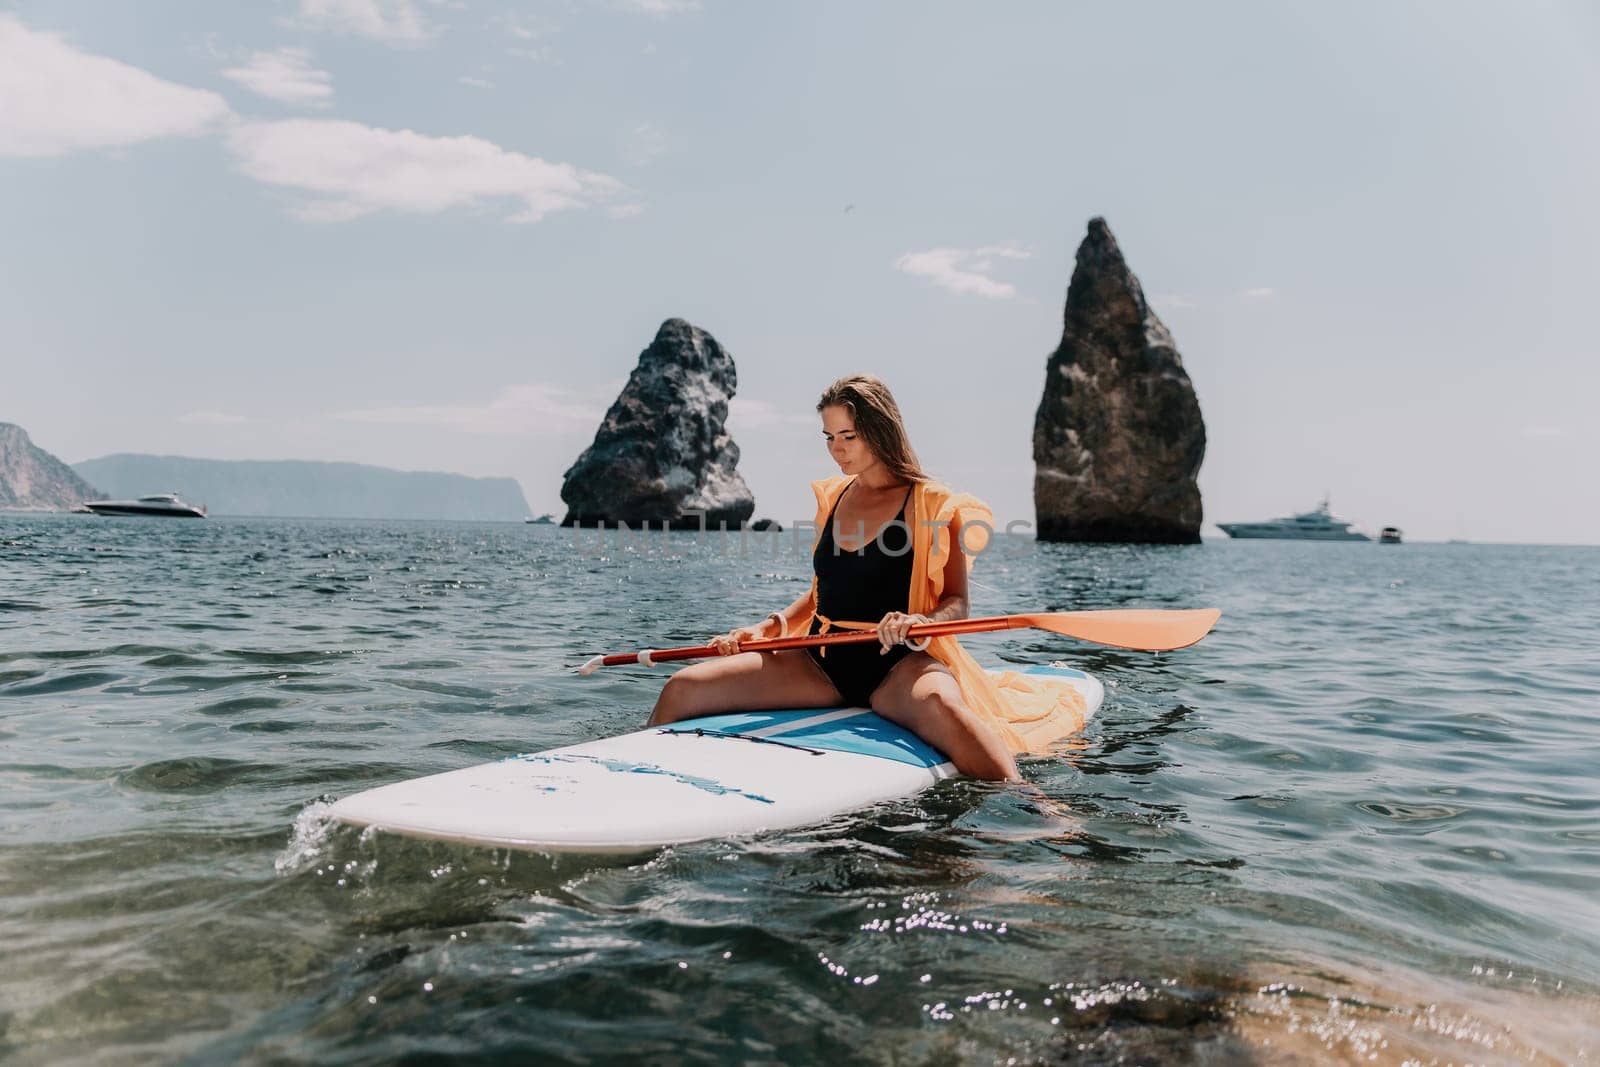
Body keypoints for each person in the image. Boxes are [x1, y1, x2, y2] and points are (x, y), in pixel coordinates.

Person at [646, 374, 1088, 781]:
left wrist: (920, 622)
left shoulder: (933, 505)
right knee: (684, 686)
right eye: (829, 437)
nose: (837, 449)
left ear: (880, 430)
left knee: (944, 709)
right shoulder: (835, 497)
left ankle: (1033, 809)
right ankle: (635, 776)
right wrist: (769, 626)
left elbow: (956, 602)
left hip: (896, 666)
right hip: (820, 661)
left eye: (849, 436)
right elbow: (826, 590)